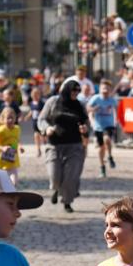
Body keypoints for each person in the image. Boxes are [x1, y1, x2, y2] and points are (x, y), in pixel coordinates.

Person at [37, 78, 89, 213]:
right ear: (67, 90)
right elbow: (41, 119)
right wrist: (46, 128)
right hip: (54, 145)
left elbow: (86, 122)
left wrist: (85, 129)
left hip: (74, 146)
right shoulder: (53, 102)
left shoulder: (79, 105)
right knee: (54, 176)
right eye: (73, 90)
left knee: (70, 177)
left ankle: (67, 202)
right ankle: (56, 189)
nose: (76, 93)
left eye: (78, 91)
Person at [87, 78, 118, 177]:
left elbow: (116, 110)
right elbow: (88, 108)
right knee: (101, 148)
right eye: (103, 88)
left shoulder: (112, 100)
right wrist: (93, 109)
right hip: (98, 126)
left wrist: (116, 121)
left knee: (107, 139)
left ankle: (109, 156)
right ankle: (102, 168)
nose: (105, 90)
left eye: (107, 88)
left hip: (109, 124)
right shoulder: (96, 98)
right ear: (100, 89)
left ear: (110, 90)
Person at [0, 107, 22, 187]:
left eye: (12, 118)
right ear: (3, 119)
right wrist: (2, 148)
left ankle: (9, 193)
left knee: (14, 184)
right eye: (8, 118)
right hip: (0, 162)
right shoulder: (0, 131)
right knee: (0, 185)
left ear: (15, 118)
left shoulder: (17, 129)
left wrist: (20, 147)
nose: (10, 120)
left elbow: (16, 140)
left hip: (12, 160)